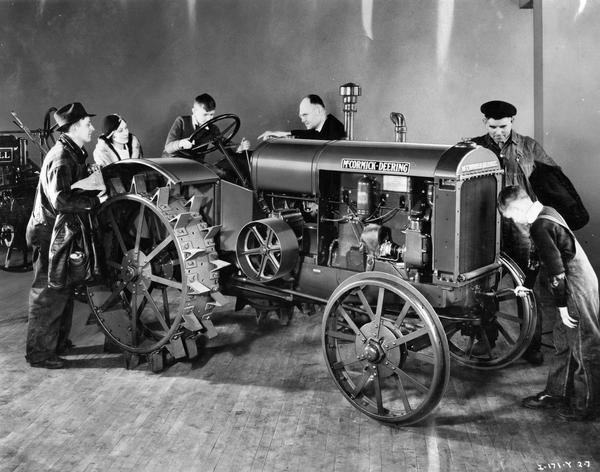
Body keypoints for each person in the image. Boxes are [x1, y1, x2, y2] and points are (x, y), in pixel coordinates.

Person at [498, 186, 600, 421]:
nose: (514, 222)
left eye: (511, 217)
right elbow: (538, 255)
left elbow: (557, 273)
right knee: (563, 341)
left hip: (576, 287)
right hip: (576, 283)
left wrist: (563, 309)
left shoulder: (540, 226)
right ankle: (557, 393)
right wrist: (526, 283)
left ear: (517, 207)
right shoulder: (546, 211)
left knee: (586, 345)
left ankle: (589, 407)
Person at [471, 100, 560, 364]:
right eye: (493, 126)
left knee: (527, 288)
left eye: (503, 126)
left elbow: (553, 181)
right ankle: (484, 340)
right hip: (487, 229)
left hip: (522, 230)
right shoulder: (475, 147)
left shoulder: (529, 146)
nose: (498, 132)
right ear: (484, 123)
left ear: (512, 122)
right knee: (483, 287)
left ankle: (531, 346)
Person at [24, 102, 100, 369]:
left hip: (58, 231)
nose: (92, 127)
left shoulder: (74, 153)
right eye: (88, 124)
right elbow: (60, 200)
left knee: (63, 287)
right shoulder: (61, 157)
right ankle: (39, 353)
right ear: (75, 127)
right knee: (47, 291)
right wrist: (93, 201)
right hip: (47, 232)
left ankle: (56, 343)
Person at [163, 93, 249, 161]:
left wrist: (238, 147)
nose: (209, 118)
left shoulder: (212, 129)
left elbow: (223, 145)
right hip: (173, 161)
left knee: (221, 174)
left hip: (195, 163)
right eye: (205, 115)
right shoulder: (182, 121)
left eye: (211, 114)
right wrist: (180, 143)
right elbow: (168, 147)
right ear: (194, 111)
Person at [258, 94, 346, 141]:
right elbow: (310, 135)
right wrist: (281, 136)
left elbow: (319, 138)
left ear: (318, 110)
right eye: (301, 116)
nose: (302, 120)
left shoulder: (336, 128)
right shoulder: (319, 130)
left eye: (305, 115)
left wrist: (283, 134)